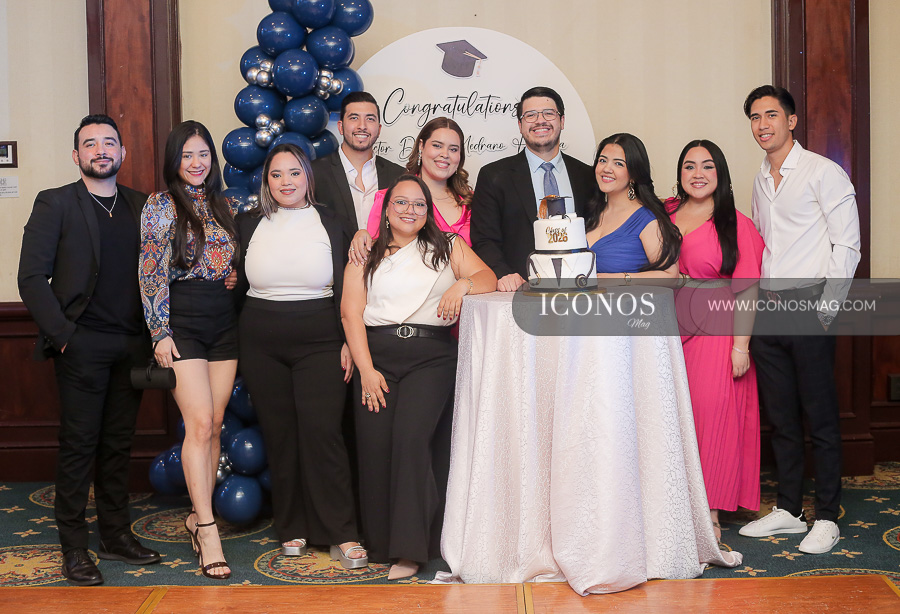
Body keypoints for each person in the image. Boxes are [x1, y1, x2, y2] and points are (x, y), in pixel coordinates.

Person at [17, 114, 161, 586]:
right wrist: (64, 336)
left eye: (109, 142)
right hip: (80, 345)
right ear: (76, 154)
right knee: (79, 447)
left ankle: (115, 535)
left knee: (118, 446)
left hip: (132, 346)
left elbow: (160, 271)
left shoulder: (142, 205)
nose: (101, 150)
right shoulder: (56, 202)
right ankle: (74, 548)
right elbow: (30, 277)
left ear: (123, 152)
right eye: (91, 143)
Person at [341, 174, 496, 580]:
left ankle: (411, 550)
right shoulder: (366, 252)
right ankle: (381, 543)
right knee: (375, 446)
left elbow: (488, 278)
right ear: (386, 209)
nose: (410, 210)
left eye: (419, 204)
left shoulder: (448, 246)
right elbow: (350, 313)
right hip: (376, 357)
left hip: (431, 358)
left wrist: (462, 285)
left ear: (428, 211)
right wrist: (366, 370)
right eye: (401, 203)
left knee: (411, 441)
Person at [738, 85, 861, 554]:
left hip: (810, 306)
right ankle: (789, 510)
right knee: (782, 418)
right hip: (769, 309)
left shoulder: (823, 172)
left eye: (771, 115)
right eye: (755, 117)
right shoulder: (759, 179)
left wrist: (826, 310)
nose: (762, 125)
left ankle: (827, 516)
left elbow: (847, 245)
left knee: (820, 418)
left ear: (791, 121)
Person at [233, 143, 367, 569]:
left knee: (323, 433)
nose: (285, 182)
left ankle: (341, 532)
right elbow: (233, 282)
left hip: (321, 338)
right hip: (260, 340)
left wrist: (349, 340)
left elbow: (352, 285)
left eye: (294, 173)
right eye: (276, 174)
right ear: (266, 180)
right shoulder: (247, 223)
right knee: (280, 435)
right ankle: (291, 526)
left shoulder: (333, 221)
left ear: (308, 177)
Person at [139, 120, 239, 579]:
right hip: (182, 321)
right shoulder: (160, 206)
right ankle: (207, 529)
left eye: (203, 154)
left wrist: (233, 274)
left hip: (224, 321)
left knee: (215, 423)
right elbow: (151, 271)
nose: (196, 163)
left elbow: (230, 262)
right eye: (187, 155)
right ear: (174, 161)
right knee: (198, 423)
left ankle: (200, 517)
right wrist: (159, 331)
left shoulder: (226, 204)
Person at [666, 139, 765, 541]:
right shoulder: (664, 213)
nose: (698, 174)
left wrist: (741, 346)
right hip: (667, 327)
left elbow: (749, 290)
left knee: (711, 417)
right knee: (673, 415)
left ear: (720, 174)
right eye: (689, 166)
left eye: (707, 166)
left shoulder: (736, 223)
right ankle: (673, 505)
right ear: (680, 174)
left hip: (717, 331)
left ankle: (709, 514)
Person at [471, 86, 595, 291]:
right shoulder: (493, 176)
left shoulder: (587, 176)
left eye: (548, 113)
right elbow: (484, 239)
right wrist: (504, 274)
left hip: (579, 288)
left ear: (562, 121)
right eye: (530, 115)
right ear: (520, 125)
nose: (540, 121)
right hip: (520, 290)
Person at [348, 116, 473, 266]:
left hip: (472, 280)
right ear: (421, 146)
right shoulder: (389, 199)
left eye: (453, 149)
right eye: (437, 146)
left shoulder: (472, 202)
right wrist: (362, 235)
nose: (445, 154)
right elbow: (374, 256)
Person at [585, 133, 680, 279]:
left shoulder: (647, 220)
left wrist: (621, 278)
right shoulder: (592, 212)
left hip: (626, 294)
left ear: (634, 175)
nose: (607, 169)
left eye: (618, 164)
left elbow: (670, 276)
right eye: (602, 160)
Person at [311, 91, 405, 230]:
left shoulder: (399, 176)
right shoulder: (315, 173)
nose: (362, 126)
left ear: (379, 129)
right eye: (354, 118)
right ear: (340, 127)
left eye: (370, 119)